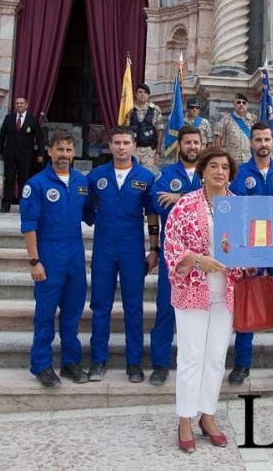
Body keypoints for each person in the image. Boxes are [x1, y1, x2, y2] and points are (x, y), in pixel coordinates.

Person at [163, 147, 245, 453]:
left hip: (226, 291)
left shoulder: (237, 206)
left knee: (215, 357)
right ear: (203, 171)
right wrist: (198, 260)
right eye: (213, 166)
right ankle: (185, 417)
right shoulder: (185, 205)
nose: (219, 172)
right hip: (192, 290)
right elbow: (172, 245)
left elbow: (250, 244)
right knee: (191, 356)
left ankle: (207, 415)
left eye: (225, 167)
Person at [19, 132, 94, 388]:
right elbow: (29, 226)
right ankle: (41, 364)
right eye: (59, 149)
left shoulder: (82, 182)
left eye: (69, 150)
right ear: (50, 151)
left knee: (73, 312)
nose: (64, 155)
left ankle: (71, 361)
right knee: (45, 313)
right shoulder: (36, 184)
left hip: (74, 252)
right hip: (48, 254)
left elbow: (90, 215)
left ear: (74, 153)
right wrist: (34, 261)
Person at [85, 126, 158, 383]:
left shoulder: (145, 177)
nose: (121, 147)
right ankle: (97, 361)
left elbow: (152, 214)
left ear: (134, 146)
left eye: (126, 142)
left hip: (132, 249)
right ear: (110, 145)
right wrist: (101, 220)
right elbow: (85, 207)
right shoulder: (96, 176)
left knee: (134, 308)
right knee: (100, 307)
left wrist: (154, 248)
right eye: (117, 142)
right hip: (104, 248)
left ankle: (134, 364)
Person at [227, 121, 273, 385]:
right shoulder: (241, 174)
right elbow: (239, 207)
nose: (263, 145)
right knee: (248, 303)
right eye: (258, 140)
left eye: (267, 140)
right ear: (251, 143)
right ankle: (242, 364)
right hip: (251, 251)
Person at [148, 125, 203, 386]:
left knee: (200, 312)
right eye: (188, 142)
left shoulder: (210, 173)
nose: (192, 147)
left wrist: (180, 197)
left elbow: (221, 202)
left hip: (204, 256)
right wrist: (196, 199)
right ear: (179, 145)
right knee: (166, 309)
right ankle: (159, 364)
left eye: (196, 142)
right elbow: (158, 202)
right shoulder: (166, 174)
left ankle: (196, 363)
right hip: (175, 255)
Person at [0, 97, 44, 213]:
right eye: (17, 103)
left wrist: (40, 154)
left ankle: (24, 205)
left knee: (24, 180)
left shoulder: (32, 120)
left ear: (26, 105)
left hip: (26, 156)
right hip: (10, 155)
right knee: (9, 179)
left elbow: (39, 138)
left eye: (21, 103)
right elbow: (2, 135)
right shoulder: (9, 118)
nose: (19, 105)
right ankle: (5, 205)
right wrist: (0, 151)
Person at [127, 84, 163, 174]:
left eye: (145, 92)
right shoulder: (129, 109)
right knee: (131, 175)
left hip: (149, 150)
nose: (142, 94)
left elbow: (160, 131)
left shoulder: (155, 109)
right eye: (140, 92)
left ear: (148, 95)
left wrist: (158, 153)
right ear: (135, 94)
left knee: (148, 176)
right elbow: (124, 131)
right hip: (132, 149)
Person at [214, 93, 256, 167]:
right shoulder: (226, 119)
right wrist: (220, 156)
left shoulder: (253, 120)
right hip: (231, 160)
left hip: (248, 159)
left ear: (247, 105)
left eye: (244, 103)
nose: (241, 104)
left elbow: (257, 137)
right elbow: (218, 137)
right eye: (238, 102)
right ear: (234, 104)